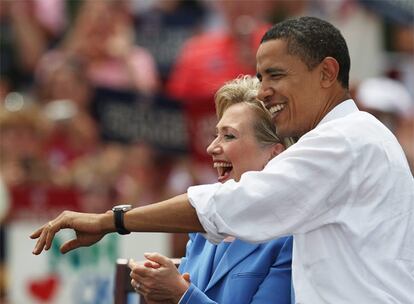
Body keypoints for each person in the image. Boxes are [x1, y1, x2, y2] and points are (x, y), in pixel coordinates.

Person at [31, 17, 414, 303]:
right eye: (261, 76)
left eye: (276, 75)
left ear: (327, 73)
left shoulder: (344, 142)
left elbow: (226, 206)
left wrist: (110, 222)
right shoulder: (354, 138)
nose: (265, 91)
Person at [129, 75, 293, 304]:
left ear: (273, 153)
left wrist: (180, 295)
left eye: (229, 136)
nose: (211, 147)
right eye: (216, 134)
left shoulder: (291, 238)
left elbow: (186, 296)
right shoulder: (204, 227)